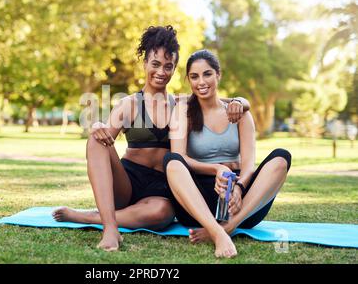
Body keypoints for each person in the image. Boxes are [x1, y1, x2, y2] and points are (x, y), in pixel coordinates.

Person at [53, 26, 250, 252]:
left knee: (162, 214)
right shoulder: (129, 104)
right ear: (145, 63)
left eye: (168, 66)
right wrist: (97, 125)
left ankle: (89, 217)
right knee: (96, 140)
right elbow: (104, 136)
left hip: (162, 188)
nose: (161, 72)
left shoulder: (183, 103)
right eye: (155, 64)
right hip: (127, 182)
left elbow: (223, 99)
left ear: (175, 68)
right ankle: (110, 228)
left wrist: (242, 102)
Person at [163, 49, 292, 258]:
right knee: (172, 162)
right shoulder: (183, 111)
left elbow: (249, 164)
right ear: (188, 80)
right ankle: (217, 233)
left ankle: (228, 227)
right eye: (194, 76)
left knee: (281, 157)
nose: (201, 82)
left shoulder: (239, 111)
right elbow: (180, 157)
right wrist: (217, 168)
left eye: (207, 74)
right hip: (197, 202)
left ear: (218, 75)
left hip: (240, 204)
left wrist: (239, 188)